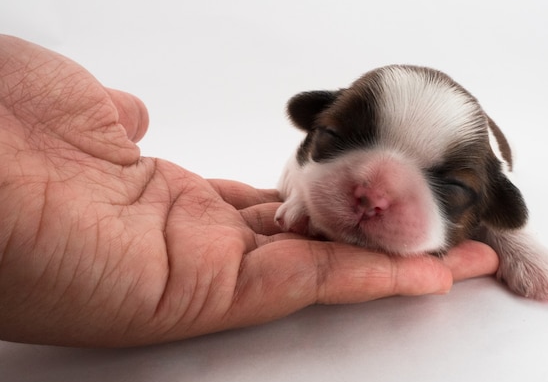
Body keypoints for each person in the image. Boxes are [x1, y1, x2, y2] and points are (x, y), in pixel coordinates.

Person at [0, 35, 499, 347]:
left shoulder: (493, 193)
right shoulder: (304, 162)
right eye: (332, 140)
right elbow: (294, 173)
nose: (372, 195)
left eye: (450, 187)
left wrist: (516, 244)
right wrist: (300, 194)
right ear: (312, 131)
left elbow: (500, 221)